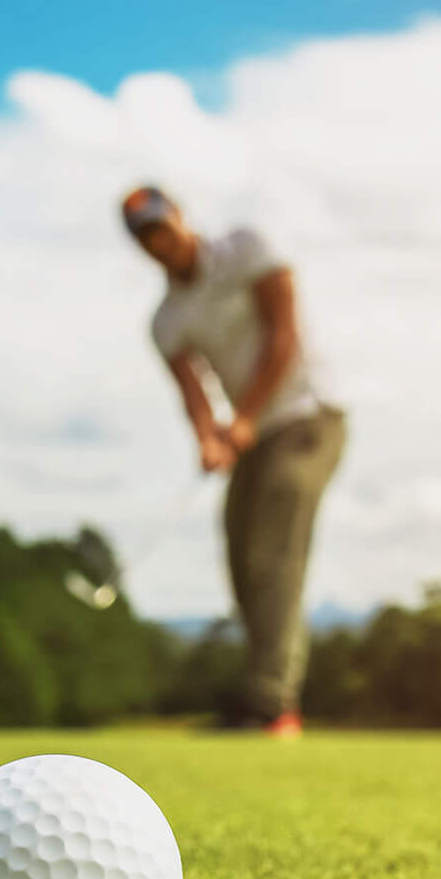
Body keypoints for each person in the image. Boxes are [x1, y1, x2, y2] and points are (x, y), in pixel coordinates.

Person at [121, 184, 347, 740]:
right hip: (254, 436)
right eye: (146, 237)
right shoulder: (167, 320)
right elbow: (194, 393)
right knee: (242, 558)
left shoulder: (249, 248)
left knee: (273, 551)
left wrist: (242, 417)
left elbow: (283, 336)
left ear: (180, 215)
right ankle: (260, 695)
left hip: (308, 417)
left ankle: (272, 704)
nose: (159, 242)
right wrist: (207, 438)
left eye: (162, 227)